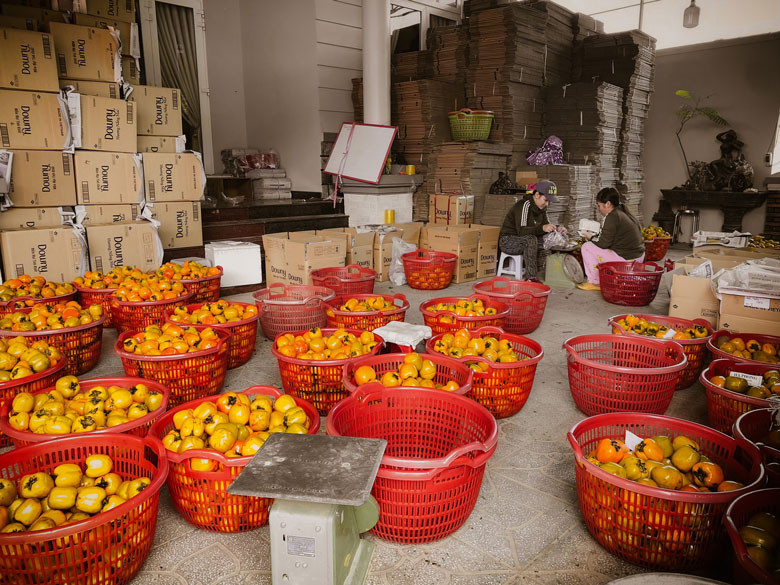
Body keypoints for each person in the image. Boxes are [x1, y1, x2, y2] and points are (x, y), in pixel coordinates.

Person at [577, 187, 645, 291]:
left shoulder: (612, 216)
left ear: (608, 204)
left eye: (599, 205)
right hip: (639, 258)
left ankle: (595, 282)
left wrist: (590, 238)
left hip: (627, 260)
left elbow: (603, 243)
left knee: (586, 247)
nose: (599, 209)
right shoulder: (624, 212)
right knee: (594, 244)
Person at [498, 180, 561, 280]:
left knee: (547, 241)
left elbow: (546, 226)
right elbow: (522, 232)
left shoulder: (542, 209)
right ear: (536, 195)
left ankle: (548, 274)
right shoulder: (524, 205)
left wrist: (556, 229)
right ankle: (531, 278)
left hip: (525, 240)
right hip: (508, 240)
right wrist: (542, 228)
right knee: (531, 239)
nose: (547, 204)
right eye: (545, 200)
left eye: (549, 201)